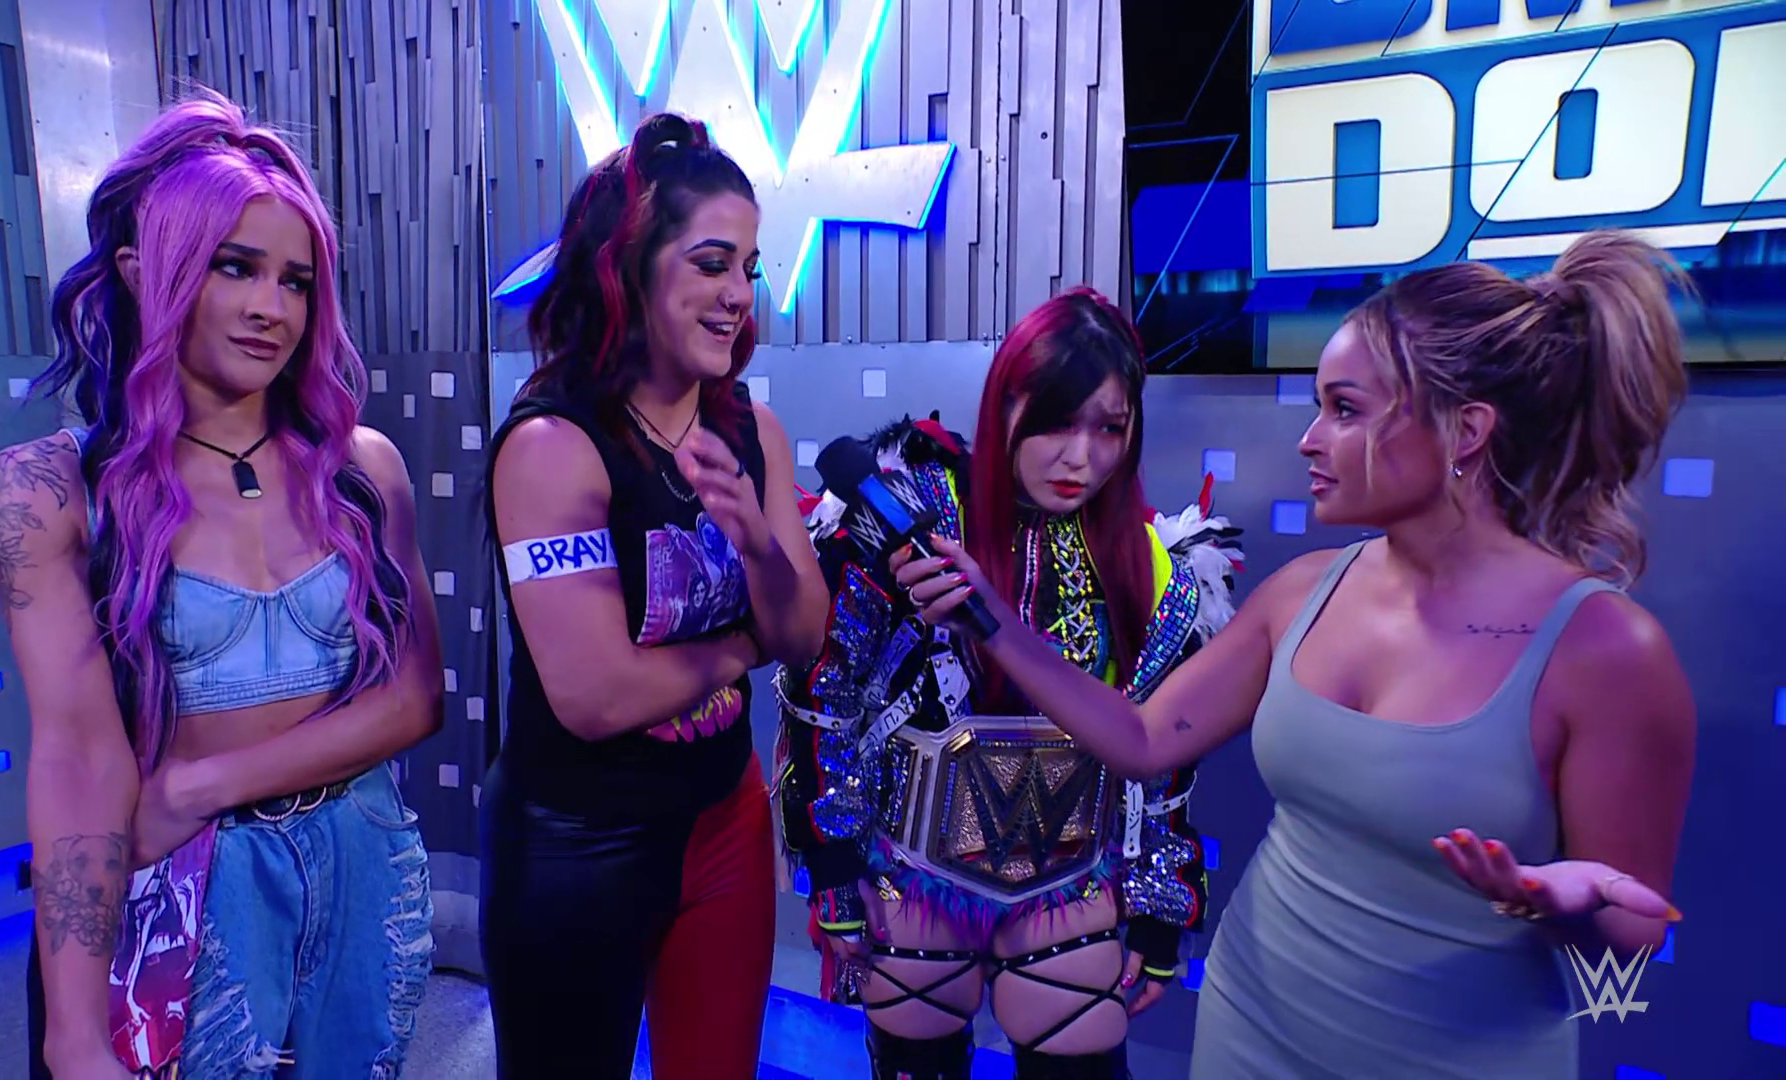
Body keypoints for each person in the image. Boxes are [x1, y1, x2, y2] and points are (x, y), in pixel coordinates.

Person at [894, 230, 1695, 1079]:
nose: (1310, 439)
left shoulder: (1607, 652)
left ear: (1465, 431)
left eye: (1345, 409)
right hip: (1246, 1030)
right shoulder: (1304, 590)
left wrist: (1563, 912)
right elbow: (1142, 739)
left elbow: (1628, 960)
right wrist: (992, 622)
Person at [0, 89, 443, 1080]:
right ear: (140, 271)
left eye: (296, 280)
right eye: (234, 266)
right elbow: (75, 758)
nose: (271, 308)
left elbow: (414, 698)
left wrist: (202, 782)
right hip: (189, 884)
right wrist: (73, 1037)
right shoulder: (52, 491)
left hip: (362, 856)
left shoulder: (363, 468)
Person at [775, 286, 1244, 1080]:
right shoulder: (913, 521)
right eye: (1056, 421)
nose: (1080, 457)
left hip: (1072, 883)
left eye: (1109, 428)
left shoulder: (1153, 563)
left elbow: (1163, 755)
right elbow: (826, 697)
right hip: (913, 877)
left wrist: (1159, 908)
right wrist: (836, 873)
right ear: (1005, 407)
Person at [480, 112, 830, 1080]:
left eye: (748, 268)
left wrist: (759, 546)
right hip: (577, 841)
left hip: (724, 822)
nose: (738, 294)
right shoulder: (552, 445)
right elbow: (596, 697)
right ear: (629, 268)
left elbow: (805, 634)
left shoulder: (753, 429)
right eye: (712, 263)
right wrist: (741, 647)